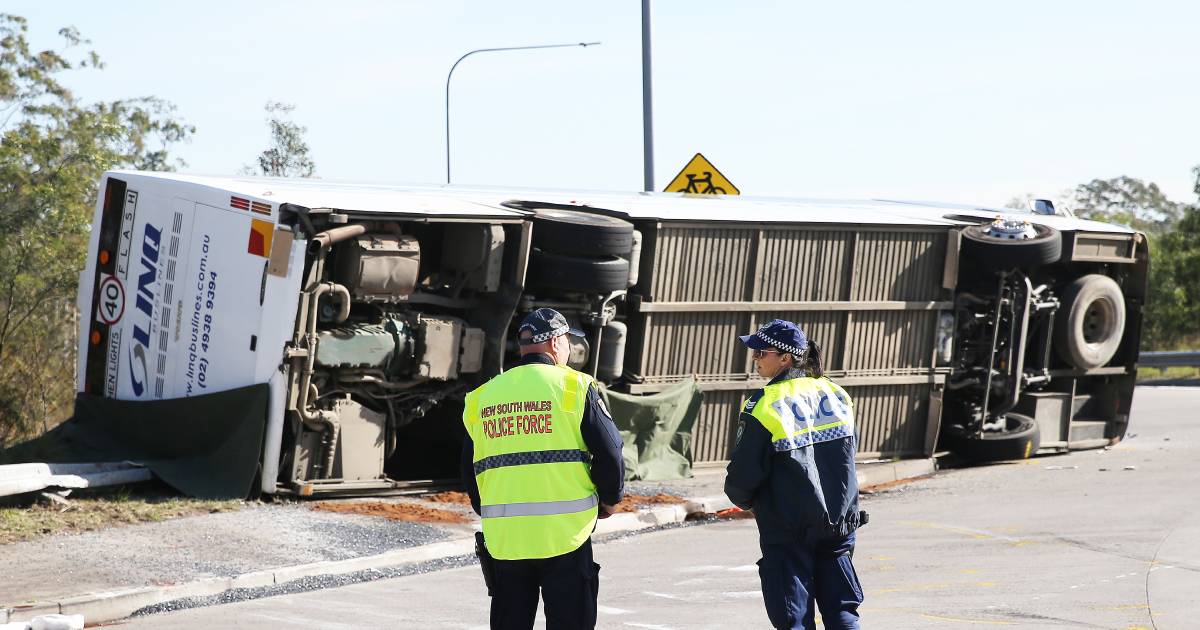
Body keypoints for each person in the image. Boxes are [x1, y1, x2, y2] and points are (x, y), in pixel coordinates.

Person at [461, 307, 625, 630]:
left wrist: (492, 511)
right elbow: (611, 452)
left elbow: (470, 468)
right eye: (568, 342)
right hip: (565, 538)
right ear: (555, 344)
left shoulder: (483, 398)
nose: (570, 349)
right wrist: (609, 500)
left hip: (507, 542)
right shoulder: (575, 388)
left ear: (524, 347)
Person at [724, 319, 867, 630]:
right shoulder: (836, 393)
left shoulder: (764, 404)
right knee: (843, 610)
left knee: (794, 618)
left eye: (761, 352)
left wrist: (746, 500)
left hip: (788, 528)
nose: (755, 358)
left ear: (785, 358)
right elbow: (849, 451)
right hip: (839, 521)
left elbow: (743, 473)